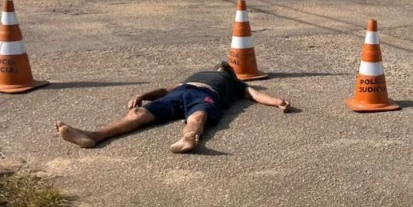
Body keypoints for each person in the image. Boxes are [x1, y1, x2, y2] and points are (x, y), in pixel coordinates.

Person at [55, 62, 292, 153]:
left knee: (198, 116)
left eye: (224, 67)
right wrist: (142, 95)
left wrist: (278, 101)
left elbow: (256, 94)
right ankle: (92, 136)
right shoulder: (196, 74)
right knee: (138, 114)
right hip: (182, 91)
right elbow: (166, 90)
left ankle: (189, 138)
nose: (220, 68)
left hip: (208, 97)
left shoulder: (235, 83)